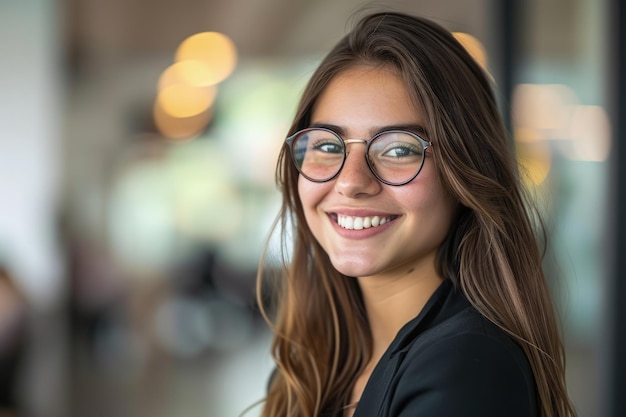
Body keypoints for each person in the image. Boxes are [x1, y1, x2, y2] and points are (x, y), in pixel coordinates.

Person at [255, 11, 576, 417]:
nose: (351, 182)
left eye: (398, 149)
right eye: (328, 145)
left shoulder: (466, 369)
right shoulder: (310, 364)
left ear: (464, 173)